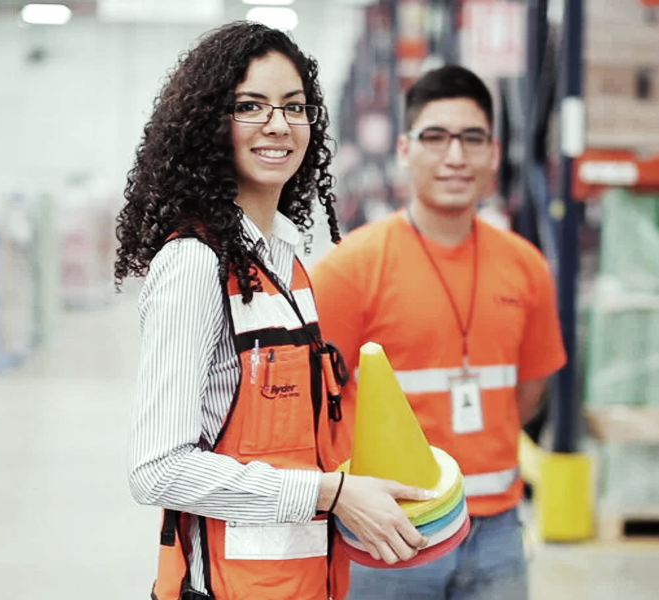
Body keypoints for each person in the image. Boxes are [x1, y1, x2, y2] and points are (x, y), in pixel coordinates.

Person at [115, 21, 439, 600]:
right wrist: (329, 494)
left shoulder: (285, 264)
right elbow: (157, 469)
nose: (277, 126)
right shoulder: (195, 265)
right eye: (250, 106)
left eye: (294, 108)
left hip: (306, 583)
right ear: (211, 125)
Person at [309, 65, 567, 600]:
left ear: (494, 154)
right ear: (404, 149)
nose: (455, 156)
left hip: (496, 531)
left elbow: (531, 389)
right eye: (436, 137)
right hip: (391, 532)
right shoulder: (350, 269)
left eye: (472, 139)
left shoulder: (527, 267)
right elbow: (313, 403)